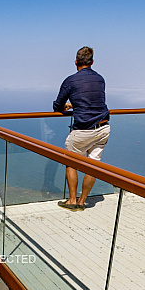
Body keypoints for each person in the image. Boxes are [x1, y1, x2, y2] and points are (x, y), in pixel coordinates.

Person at [52, 46, 110, 210]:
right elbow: (91, 99)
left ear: (75, 62)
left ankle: (72, 200)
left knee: (71, 163)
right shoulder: (100, 79)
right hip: (103, 127)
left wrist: (68, 106)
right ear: (92, 62)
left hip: (83, 129)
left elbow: (58, 105)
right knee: (93, 165)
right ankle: (83, 201)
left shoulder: (70, 80)